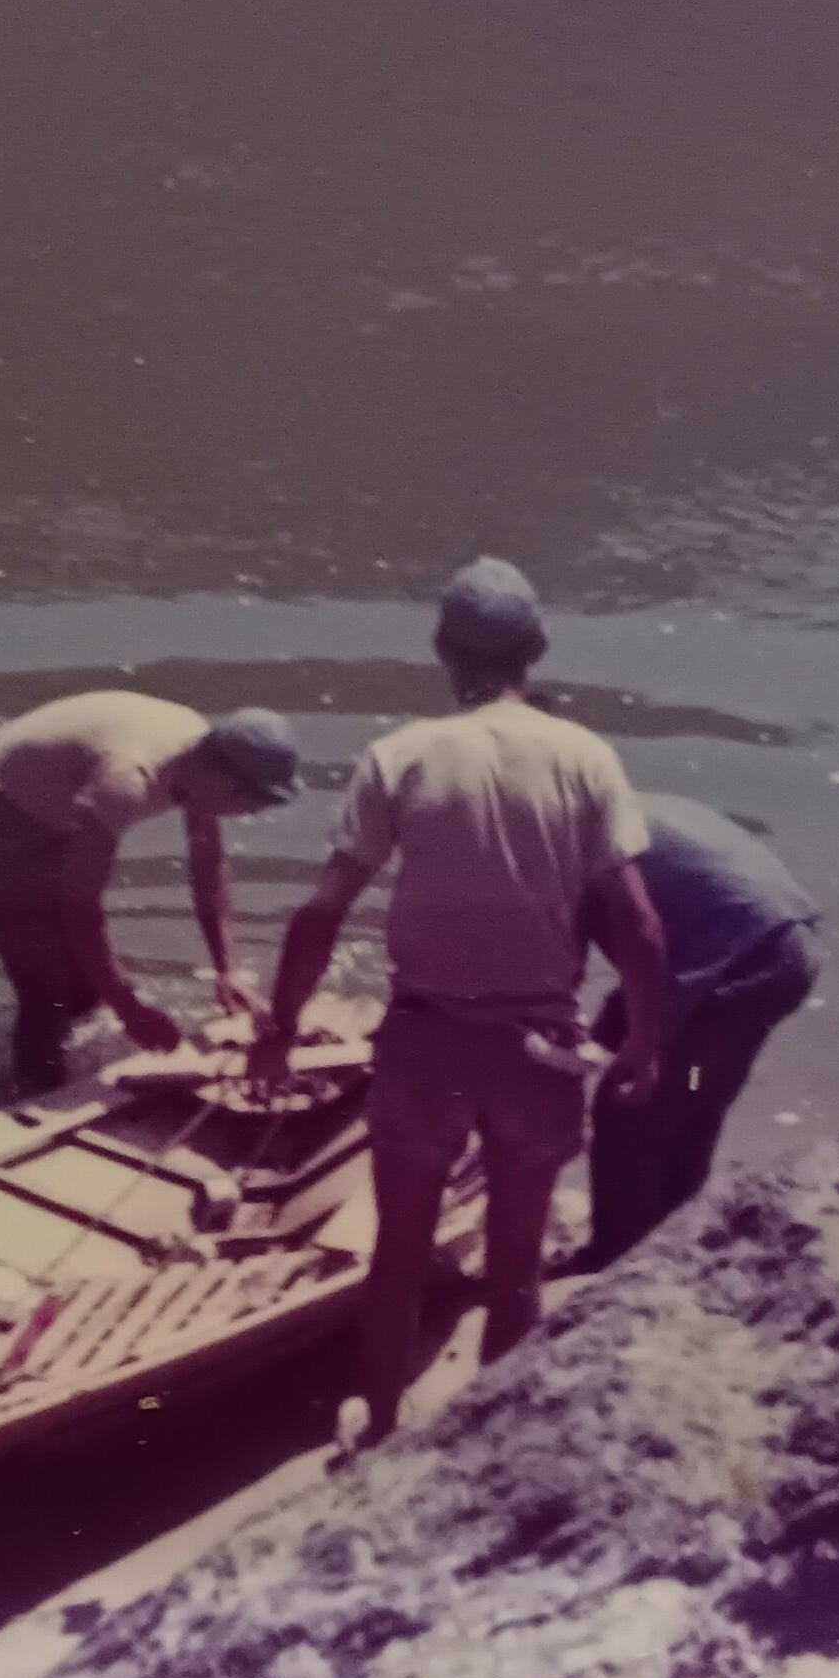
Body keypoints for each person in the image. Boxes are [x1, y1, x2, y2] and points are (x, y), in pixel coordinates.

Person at [255, 558, 670, 1452]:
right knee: (514, 1265)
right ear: (540, 651)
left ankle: (376, 1426)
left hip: (424, 1046)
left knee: (397, 1258)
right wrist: (642, 1041)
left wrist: (277, 1032)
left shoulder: (397, 756)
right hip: (538, 1053)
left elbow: (320, 912)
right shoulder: (587, 758)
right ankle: (484, 1451)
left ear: (443, 651)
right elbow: (638, 924)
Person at [0, 691, 305, 1094]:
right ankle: (30, 1103)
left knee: (87, 991)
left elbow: (208, 865)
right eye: (251, 805)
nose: (250, 816)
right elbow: (80, 907)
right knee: (46, 992)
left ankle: (52, 1069)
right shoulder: (126, 780)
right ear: (223, 783)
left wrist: (227, 970)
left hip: (49, 809)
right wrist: (129, 1008)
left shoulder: (201, 762)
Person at [569, 793, 822, 1271]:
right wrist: (610, 1034)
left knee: (631, 1107)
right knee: (694, 1097)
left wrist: (634, 1049)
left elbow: (614, 952)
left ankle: (617, 1258)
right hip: (785, 950)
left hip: (743, 969)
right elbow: (649, 967)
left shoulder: (578, 843)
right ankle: (676, 1240)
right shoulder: (633, 808)